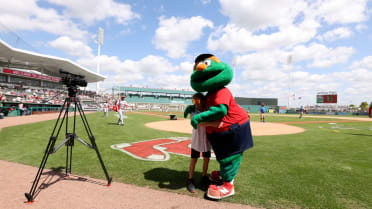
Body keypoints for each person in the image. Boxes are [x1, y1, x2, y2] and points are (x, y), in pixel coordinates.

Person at [186, 93, 211, 193]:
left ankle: (204, 176)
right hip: (196, 140)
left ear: (202, 101)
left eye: (198, 101)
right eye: (194, 101)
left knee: (206, 159)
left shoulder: (208, 110)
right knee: (194, 159)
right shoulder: (193, 111)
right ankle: (190, 179)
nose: (196, 103)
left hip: (207, 140)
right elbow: (196, 122)